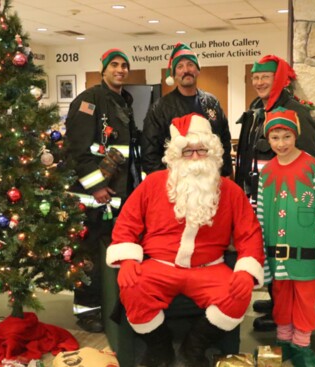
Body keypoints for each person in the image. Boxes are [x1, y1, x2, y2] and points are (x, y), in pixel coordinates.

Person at [106, 113, 264, 367]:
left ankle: (193, 348)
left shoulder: (230, 191)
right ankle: (160, 347)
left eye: (200, 151)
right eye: (187, 151)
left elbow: (250, 235)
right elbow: (127, 223)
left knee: (237, 294)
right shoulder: (153, 184)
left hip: (209, 268)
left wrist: (246, 272)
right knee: (133, 287)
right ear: (175, 156)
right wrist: (125, 260)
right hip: (159, 266)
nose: (194, 158)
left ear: (212, 153)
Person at [234, 54, 315, 332]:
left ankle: (283, 311)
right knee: (267, 247)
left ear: (279, 79)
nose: (259, 82)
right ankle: (274, 301)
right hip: (258, 190)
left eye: (265, 77)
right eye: (255, 77)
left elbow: (308, 158)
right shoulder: (256, 108)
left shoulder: (296, 111)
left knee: (283, 252)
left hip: (284, 197)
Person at [64, 48, 142, 333]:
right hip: (92, 196)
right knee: (89, 257)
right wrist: (97, 186)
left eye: (124, 66)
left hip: (116, 196)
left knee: (110, 255)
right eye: (115, 66)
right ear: (104, 70)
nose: (120, 70)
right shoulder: (88, 101)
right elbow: (77, 150)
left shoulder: (122, 102)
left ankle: (109, 305)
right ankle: (87, 310)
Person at [256, 107, 315, 366]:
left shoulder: (312, 168)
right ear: (268, 140)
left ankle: (302, 345)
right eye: (275, 137)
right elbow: (260, 217)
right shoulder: (266, 172)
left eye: (286, 137)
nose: (281, 144)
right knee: (280, 300)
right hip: (277, 256)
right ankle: (284, 343)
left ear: (296, 136)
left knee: (304, 300)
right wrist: (260, 258)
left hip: (307, 257)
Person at [142, 42, 233, 177]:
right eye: (180, 66)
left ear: (198, 70)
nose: (186, 70)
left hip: (211, 181)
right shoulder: (160, 108)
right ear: (173, 74)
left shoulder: (212, 103)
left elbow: (224, 142)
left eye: (190, 65)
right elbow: (150, 154)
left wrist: (225, 174)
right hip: (176, 184)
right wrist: (166, 182)